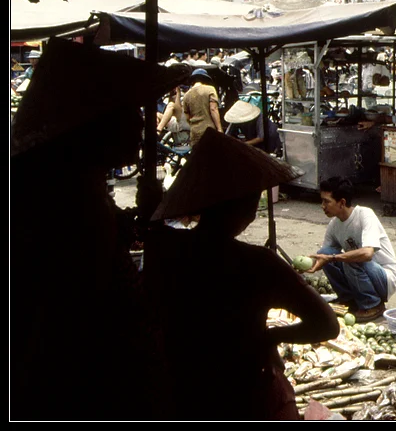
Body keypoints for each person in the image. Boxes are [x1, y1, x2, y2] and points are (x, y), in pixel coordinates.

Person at [10, 38, 189, 420]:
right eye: (126, 114)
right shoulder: (72, 204)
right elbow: (66, 325)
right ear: (92, 123)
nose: (141, 129)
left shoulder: (73, 186)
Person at [146, 130, 339, 420]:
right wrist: (269, 337)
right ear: (248, 207)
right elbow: (326, 324)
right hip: (241, 396)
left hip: (181, 392)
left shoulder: (167, 250)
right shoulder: (257, 263)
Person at [306, 176, 396, 322]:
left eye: (327, 201)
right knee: (324, 253)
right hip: (362, 273)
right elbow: (325, 256)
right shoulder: (334, 225)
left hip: (386, 277)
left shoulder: (365, 214)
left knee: (349, 258)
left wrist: (334, 258)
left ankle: (372, 304)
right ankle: (349, 300)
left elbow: (367, 254)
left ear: (342, 202)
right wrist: (306, 265)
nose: (322, 206)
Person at [182, 67, 223, 147]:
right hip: (208, 130)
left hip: (194, 132)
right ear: (205, 79)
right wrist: (219, 129)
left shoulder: (186, 95)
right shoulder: (210, 89)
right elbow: (213, 109)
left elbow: (187, 117)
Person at [156, 81, 192, 147]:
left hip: (186, 121)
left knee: (171, 105)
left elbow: (176, 106)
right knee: (157, 114)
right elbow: (171, 111)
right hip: (178, 121)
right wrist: (171, 94)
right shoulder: (174, 95)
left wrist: (178, 93)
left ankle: (158, 130)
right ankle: (154, 132)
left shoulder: (187, 95)